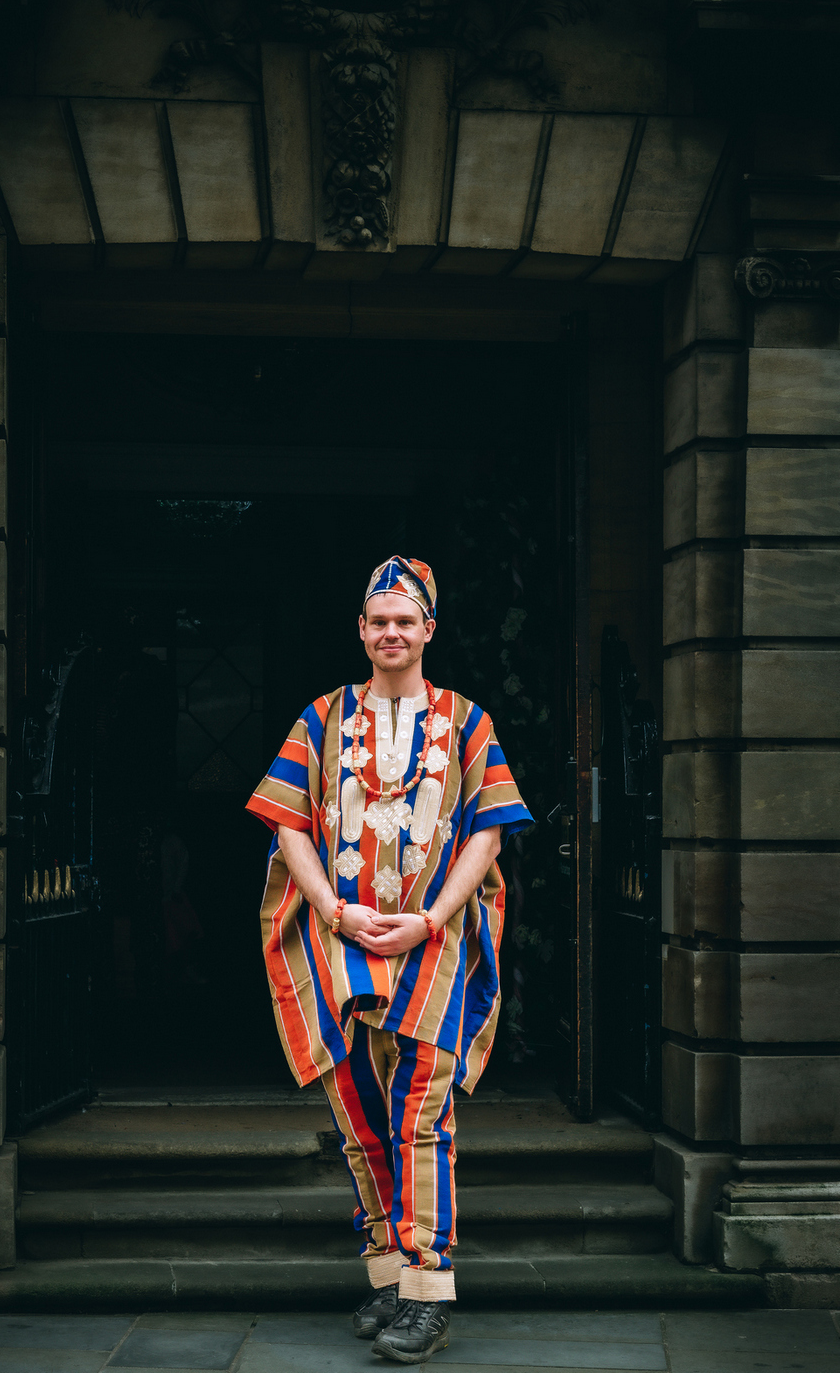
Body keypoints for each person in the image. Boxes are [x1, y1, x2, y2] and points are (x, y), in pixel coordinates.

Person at [246, 556, 532, 1364]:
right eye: (379, 621)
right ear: (362, 631)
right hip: (339, 940)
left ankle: (428, 1289)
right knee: (360, 1111)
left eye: (406, 621)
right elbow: (288, 825)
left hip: (434, 943)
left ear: (428, 630)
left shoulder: (467, 720)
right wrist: (336, 911)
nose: (392, 633)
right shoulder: (320, 719)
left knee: (421, 1111)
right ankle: (388, 1274)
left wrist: (430, 918)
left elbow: (489, 832)